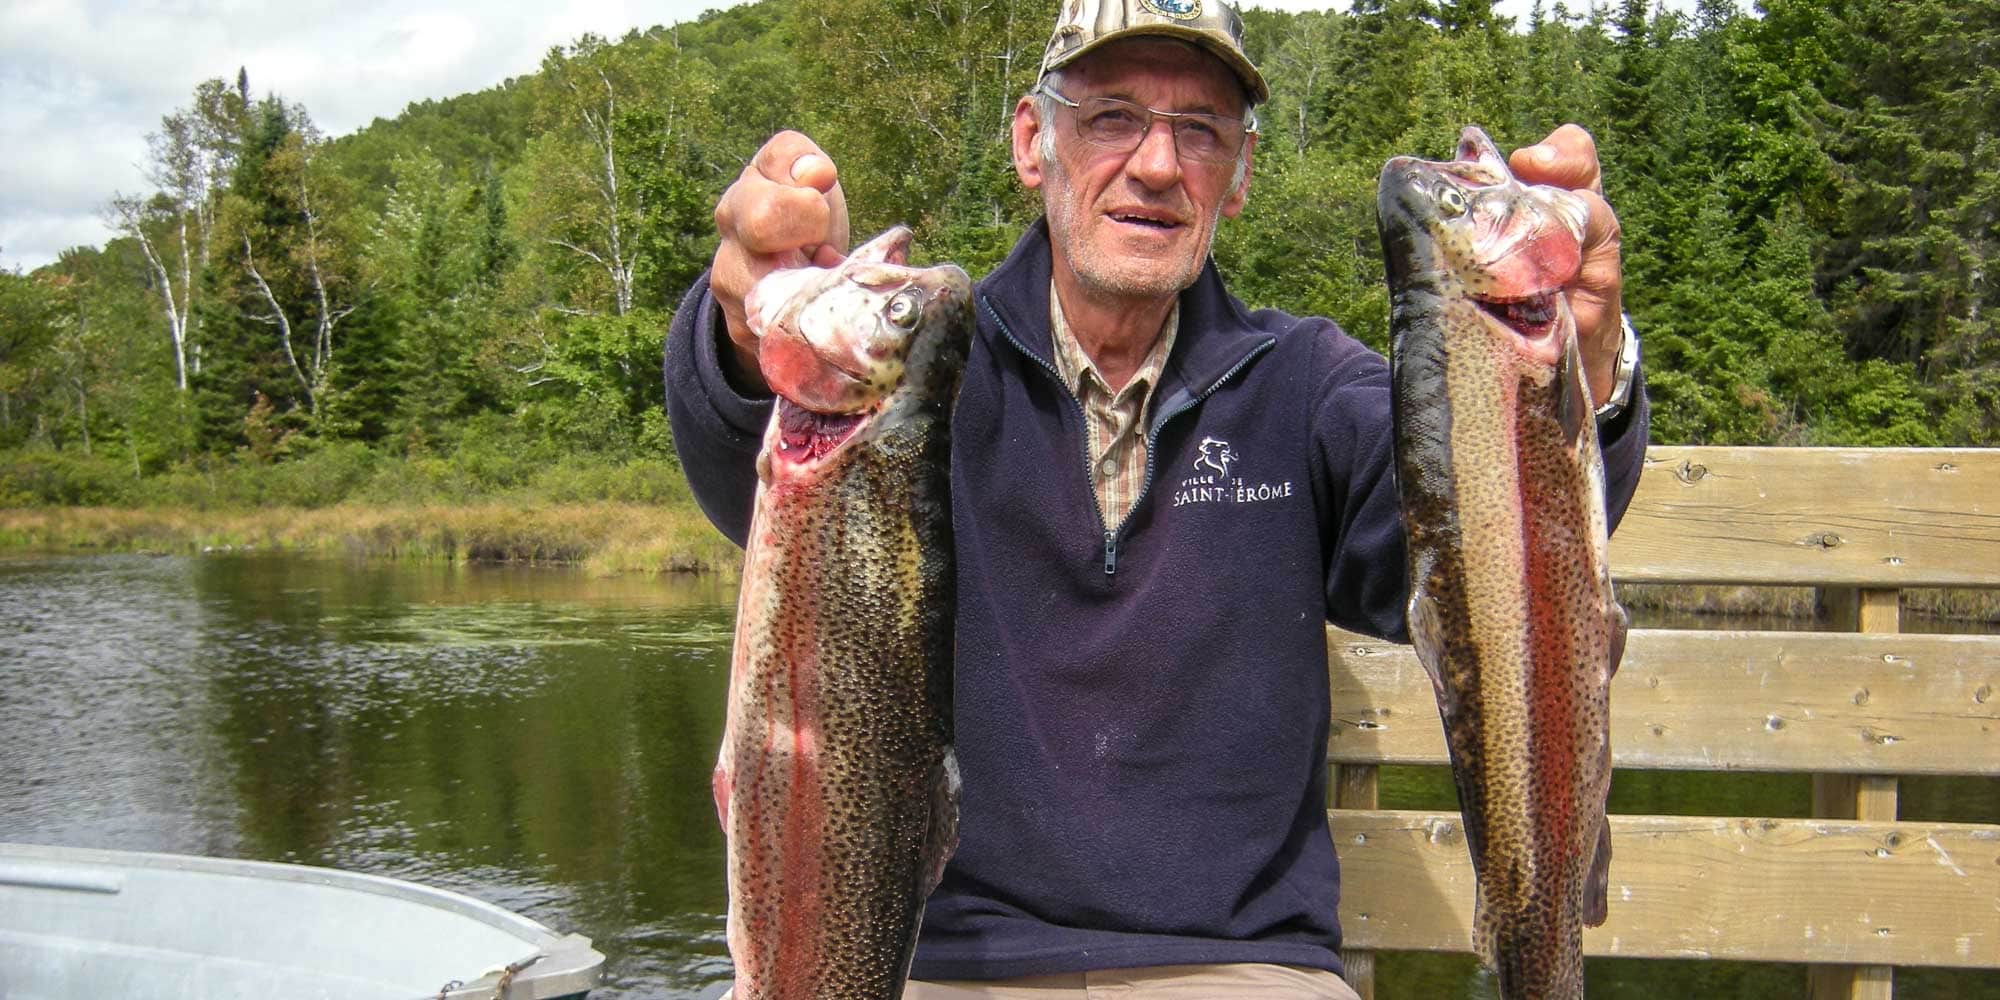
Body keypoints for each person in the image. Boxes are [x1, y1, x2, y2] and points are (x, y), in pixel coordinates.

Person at [665, 1, 1648, 996]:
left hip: (1245, 960)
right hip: (940, 958)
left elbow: (1472, 559)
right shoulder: (918, 370)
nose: (1154, 165)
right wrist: (750, 334)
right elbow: (743, 461)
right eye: (1110, 117)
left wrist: (1573, 379)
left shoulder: (1305, 381)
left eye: (1199, 130)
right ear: (1029, 143)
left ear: (1241, 171)